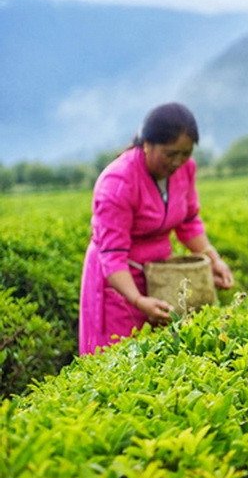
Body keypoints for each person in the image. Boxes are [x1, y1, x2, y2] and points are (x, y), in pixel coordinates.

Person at [78, 102, 234, 355]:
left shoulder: (185, 170)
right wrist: (138, 300)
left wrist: (213, 258)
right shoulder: (117, 182)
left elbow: (188, 221)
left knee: (160, 352)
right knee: (120, 354)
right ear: (147, 144)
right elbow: (112, 254)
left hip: (160, 276)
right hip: (118, 281)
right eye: (170, 153)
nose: (177, 162)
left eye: (185, 153)